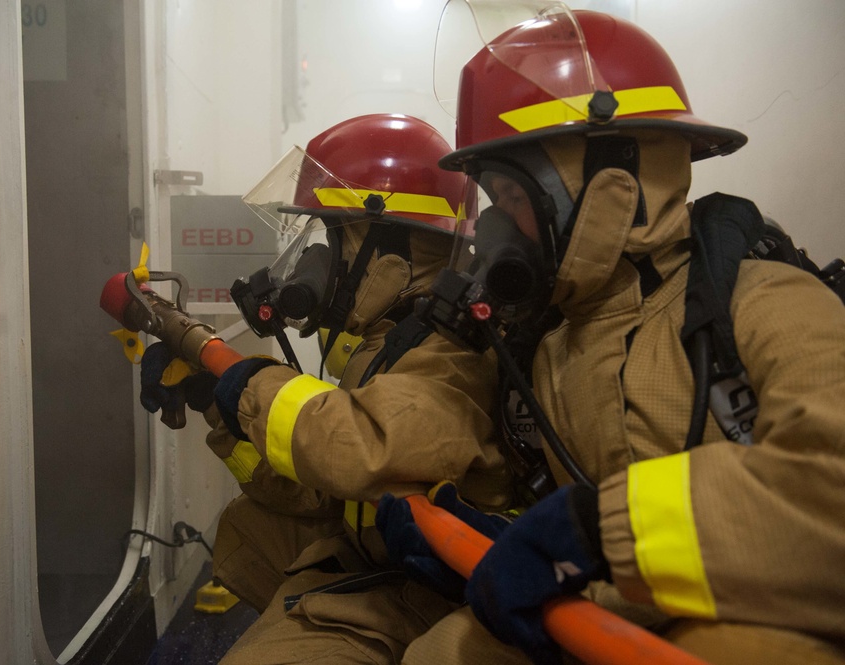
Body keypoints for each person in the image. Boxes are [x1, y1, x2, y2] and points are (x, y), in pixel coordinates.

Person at [377, 6, 845, 665]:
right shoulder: (555, 343)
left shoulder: (767, 305)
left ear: (608, 186)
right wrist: (503, 534)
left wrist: (600, 531)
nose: (499, 234)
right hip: (609, 615)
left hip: (750, 621)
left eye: (514, 200)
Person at [141, 113, 516, 664]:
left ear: (392, 255)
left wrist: (240, 380)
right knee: (248, 527)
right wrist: (211, 400)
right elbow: (325, 494)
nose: (314, 266)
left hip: (437, 593)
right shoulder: (385, 342)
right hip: (385, 557)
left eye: (330, 243)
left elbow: (351, 449)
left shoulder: (450, 351)